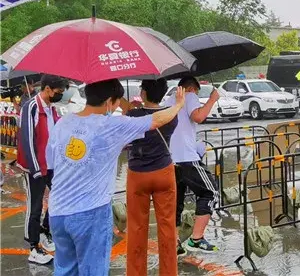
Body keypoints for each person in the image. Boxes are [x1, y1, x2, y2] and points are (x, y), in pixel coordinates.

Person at [46, 79, 185, 276]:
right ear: (109, 102)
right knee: (93, 270)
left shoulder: (63, 122)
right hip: (91, 212)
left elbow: (50, 165)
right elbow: (156, 120)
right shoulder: (112, 124)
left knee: (66, 270)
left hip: (58, 211)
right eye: (118, 101)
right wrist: (178, 104)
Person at [122, 79, 179, 276]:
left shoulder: (133, 115)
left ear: (144, 93)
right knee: (167, 227)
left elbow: (128, 131)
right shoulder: (171, 116)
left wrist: (129, 109)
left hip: (138, 175)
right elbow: (158, 118)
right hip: (163, 172)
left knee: (136, 228)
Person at [164, 76, 220, 253]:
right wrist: (212, 99)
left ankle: (174, 244)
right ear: (191, 88)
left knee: (176, 202)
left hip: (170, 159)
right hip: (186, 158)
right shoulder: (189, 96)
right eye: (196, 91)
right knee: (211, 191)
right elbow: (199, 116)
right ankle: (196, 239)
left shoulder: (169, 100)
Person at [16, 74, 68, 265]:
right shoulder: (30, 107)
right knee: (35, 205)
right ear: (47, 89)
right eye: (58, 92)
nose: (59, 95)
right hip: (36, 167)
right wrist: (35, 168)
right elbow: (27, 139)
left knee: (58, 198)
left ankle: (45, 231)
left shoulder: (51, 108)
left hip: (53, 165)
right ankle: (33, 246)